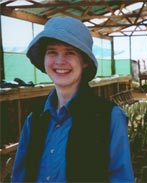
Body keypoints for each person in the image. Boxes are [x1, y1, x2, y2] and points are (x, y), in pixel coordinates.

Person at [11, 16, 134, 182]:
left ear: (84, 62)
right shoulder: (35, 118)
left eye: (70, 52)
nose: (60, 61)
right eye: (52, 52)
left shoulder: (109, 117)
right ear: (44, 59)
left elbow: (121, 177)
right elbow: (20, 175)